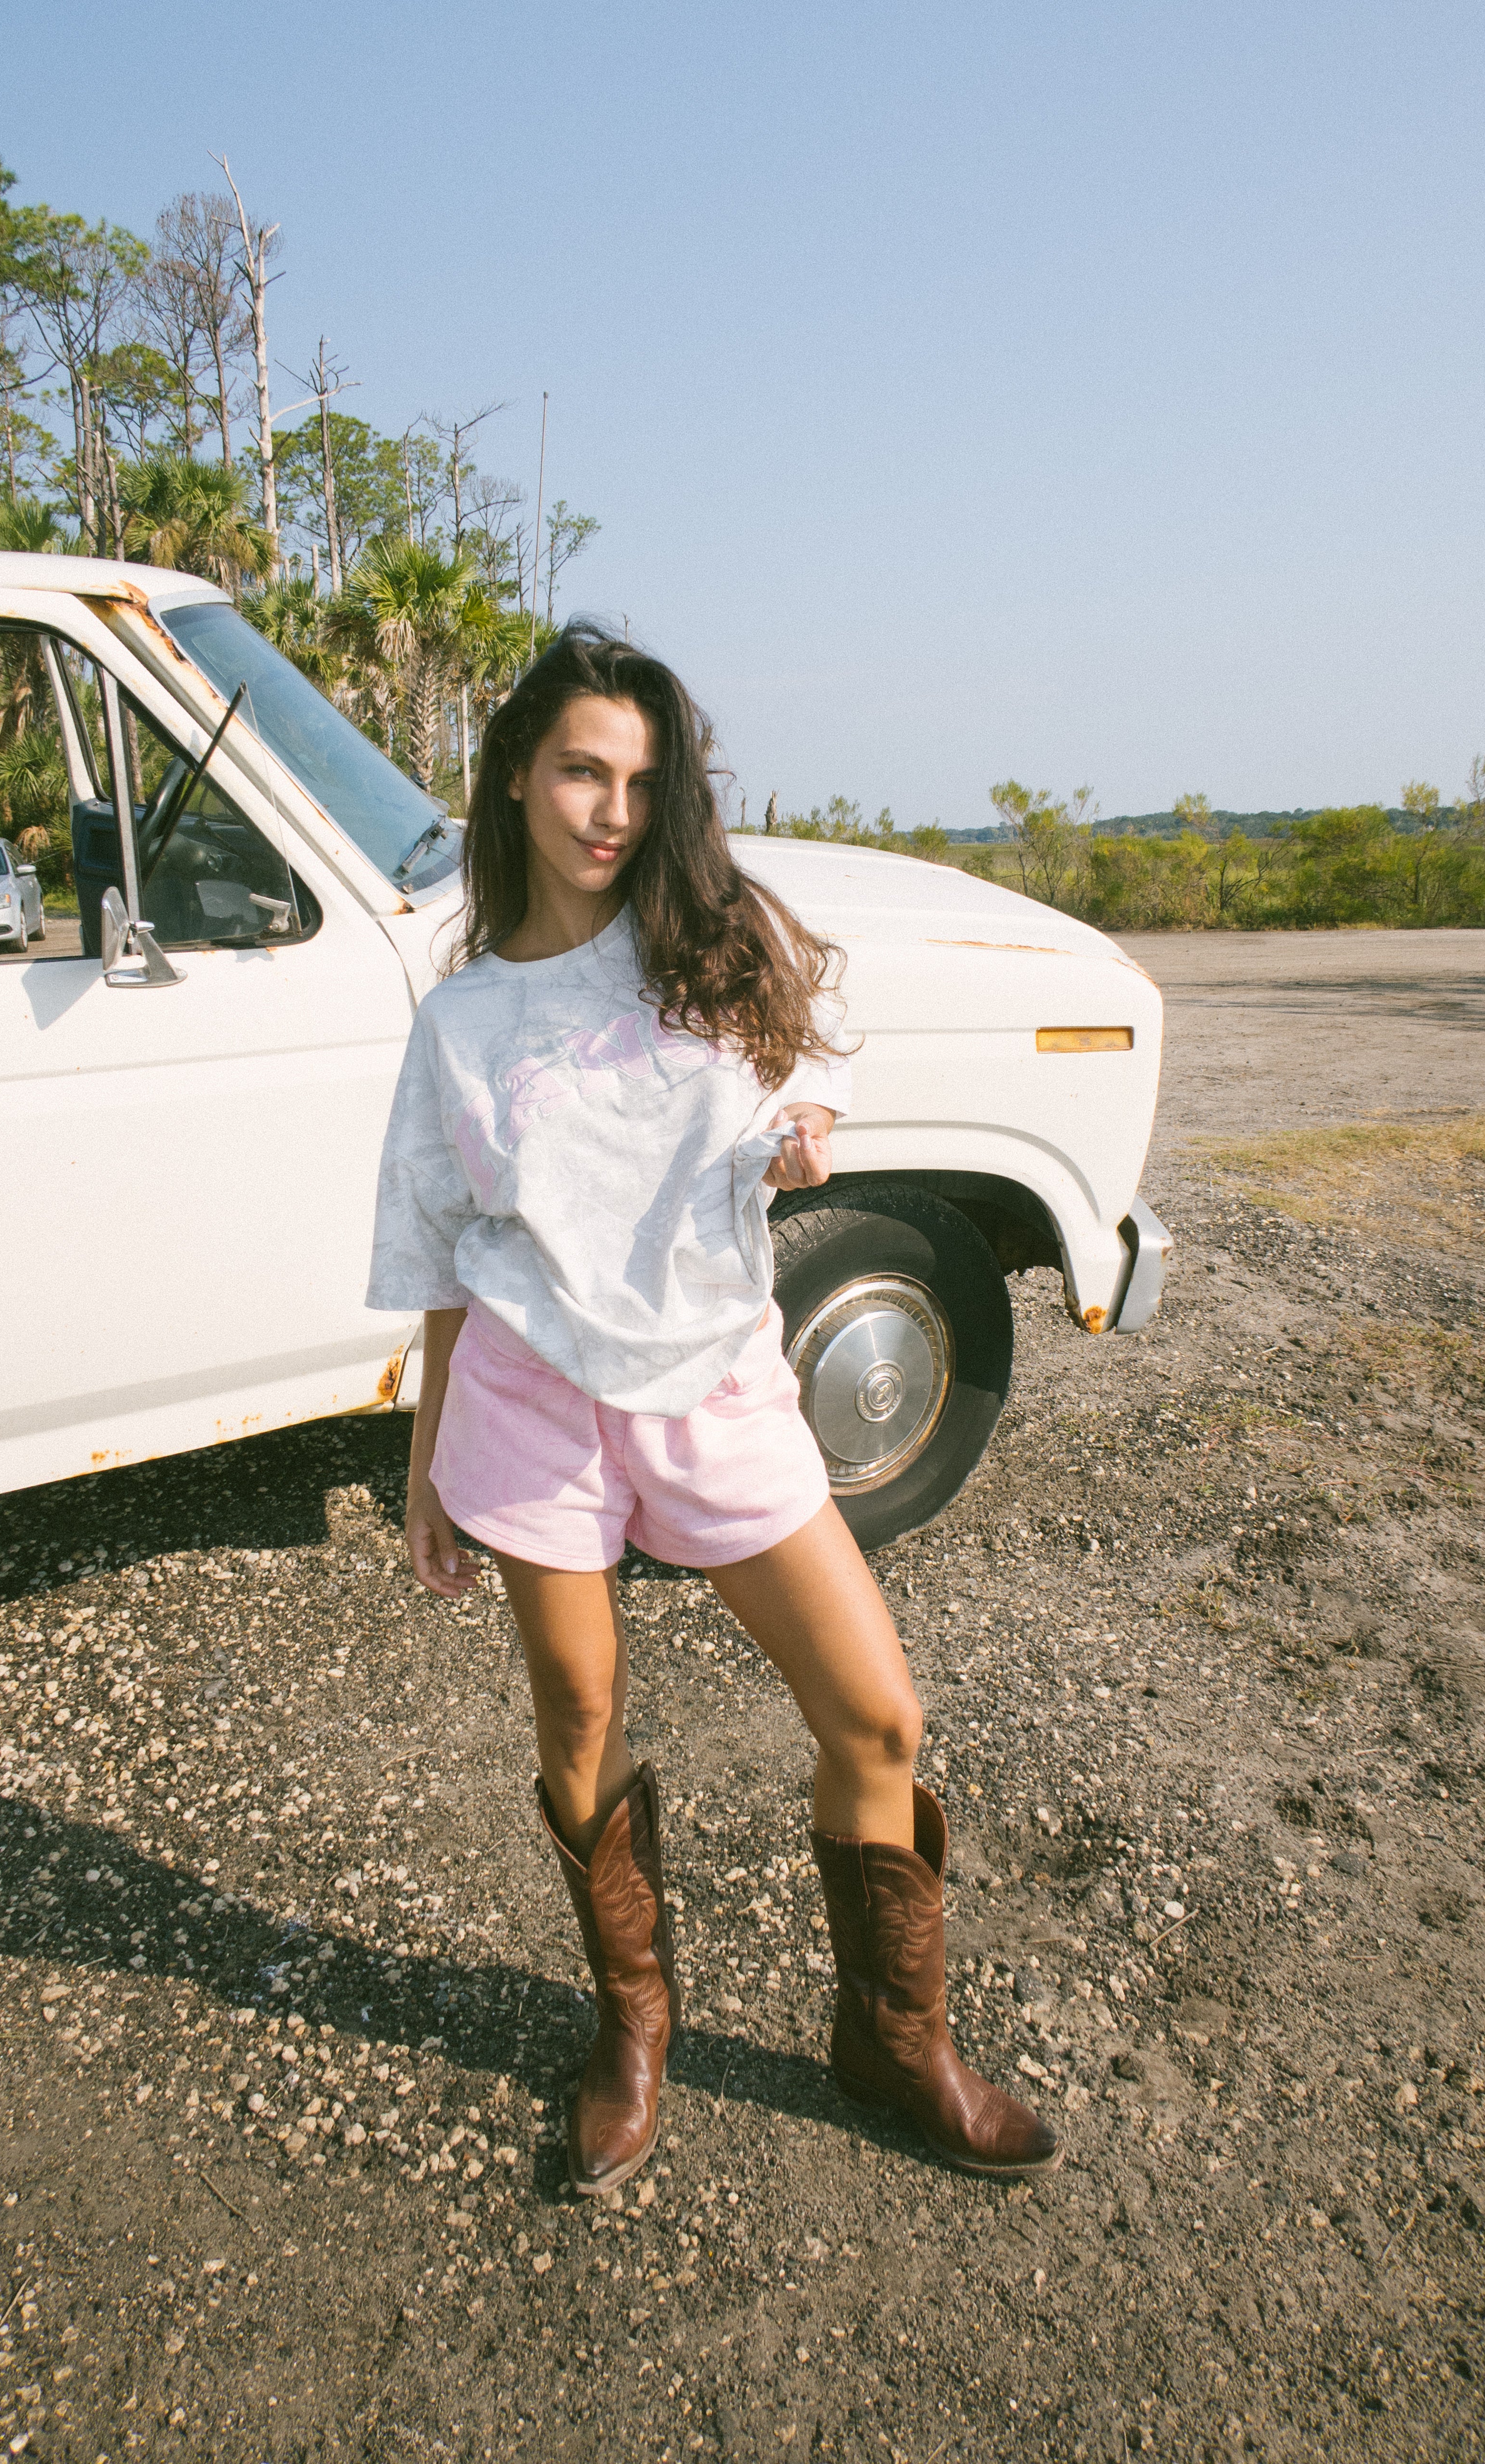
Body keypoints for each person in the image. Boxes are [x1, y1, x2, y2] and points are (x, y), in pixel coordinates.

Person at [367, 622, 1059, 2191]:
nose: (613, 812)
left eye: (639, 782)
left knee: (878, 1715)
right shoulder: (460, 1025)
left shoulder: (709, 937)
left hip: (718, 1382)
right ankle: (635, 2027)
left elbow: (806, 1075)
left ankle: (895, 2041)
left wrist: (806, 1129)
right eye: (581, 773)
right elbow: (441, 1252)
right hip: (532, 1402)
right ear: (517, 777)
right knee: (579, 1713)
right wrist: (425, 1462)